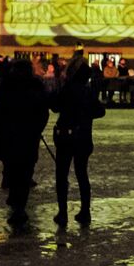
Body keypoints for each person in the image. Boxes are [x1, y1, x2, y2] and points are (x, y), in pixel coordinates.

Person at [0, 60, 50, 226]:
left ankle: (15, 200)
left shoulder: (6, 87)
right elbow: (43, 112)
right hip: (29, 135)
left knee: (12, 166)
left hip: (9, 135)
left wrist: (0, 128)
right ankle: (19, 206)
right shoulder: (36, 86)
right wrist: (37, 129)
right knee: (25, 170)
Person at [49, 56, 106, 228]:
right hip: (83, 136)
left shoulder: (67, 89)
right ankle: (85, 210)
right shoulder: (87, 91)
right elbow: (100, 111)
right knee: (82, 174)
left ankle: (63, 212)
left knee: (62, 174)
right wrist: (86, 115)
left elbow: (55, 106)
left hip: (66, 135)